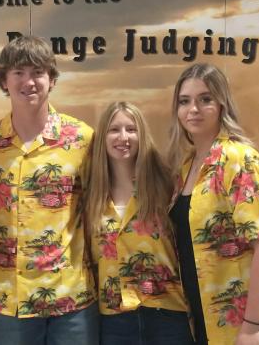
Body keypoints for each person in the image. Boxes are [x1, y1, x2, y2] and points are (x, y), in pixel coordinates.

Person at [0, 35, 97, 345]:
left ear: (51, 79)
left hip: (72, 299)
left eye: (38, 72)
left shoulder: (81, 138)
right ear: (4, 81)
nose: (29, 82)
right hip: (10, 301)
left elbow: (96, 204)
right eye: (19, 73)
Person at [167, 63, 259, 345]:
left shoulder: (240, 160)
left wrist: (252, 327)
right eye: (185, 101)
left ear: (222, 104)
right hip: (204, 319)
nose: (194, 109)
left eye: (205, 99)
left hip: (244, 326)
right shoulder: (186, 167)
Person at [84, 101, 193, 345]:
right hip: (114, 319)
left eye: (131, 129)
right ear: (103, 136)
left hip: (167, 312)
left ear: (142, 134)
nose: (123, 137)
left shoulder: (166, 184)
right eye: (114, 130)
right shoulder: (91, 194)